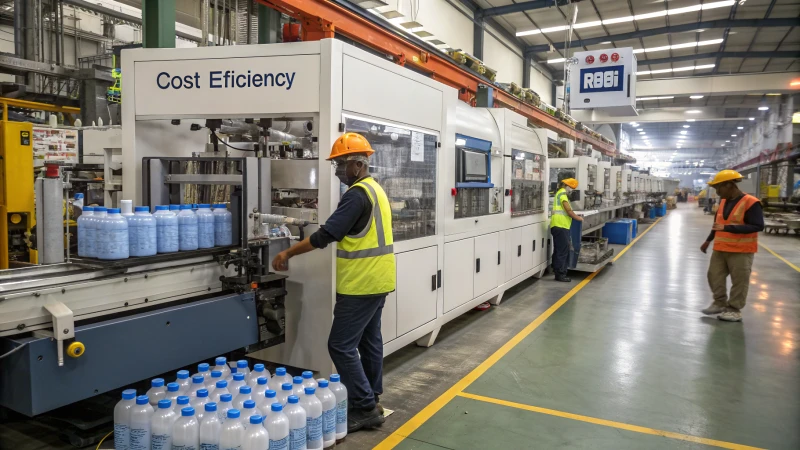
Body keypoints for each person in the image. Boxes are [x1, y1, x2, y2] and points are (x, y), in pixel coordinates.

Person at [271, 132, 395, 432]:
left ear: (357, 164)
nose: (338, 171)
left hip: (360, 283)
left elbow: (326, 235)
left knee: (339, 346)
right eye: (336, 165)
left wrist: (288, 251)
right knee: (369, 342)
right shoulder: (375, 189)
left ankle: (365, 408)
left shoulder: (356, 195)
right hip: (379, 280)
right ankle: (371, 397)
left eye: (341, 164)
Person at [700, 169, 764, 322]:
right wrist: (708, 240)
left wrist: (728, 228)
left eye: (719, 188)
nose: (717, 192)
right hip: (720, 248)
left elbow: (758, 226)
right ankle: (719, 302)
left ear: (730, 185)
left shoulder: (751, 202)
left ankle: (734, 309)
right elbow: (717, 225)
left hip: (741, 250)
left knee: (739, 280)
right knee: (714, 275)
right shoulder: (723, 202)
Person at [550, 178, 583, 282]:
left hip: (558, 225)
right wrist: (578, 218)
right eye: (572, 188)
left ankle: (557, 271)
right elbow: (568, 210)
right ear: (567, 186)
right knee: (562, 251)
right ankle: (560, 274)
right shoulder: (563, 194)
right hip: (561, 226)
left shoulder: (559, 193)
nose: (572, 191)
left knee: (559, 250)